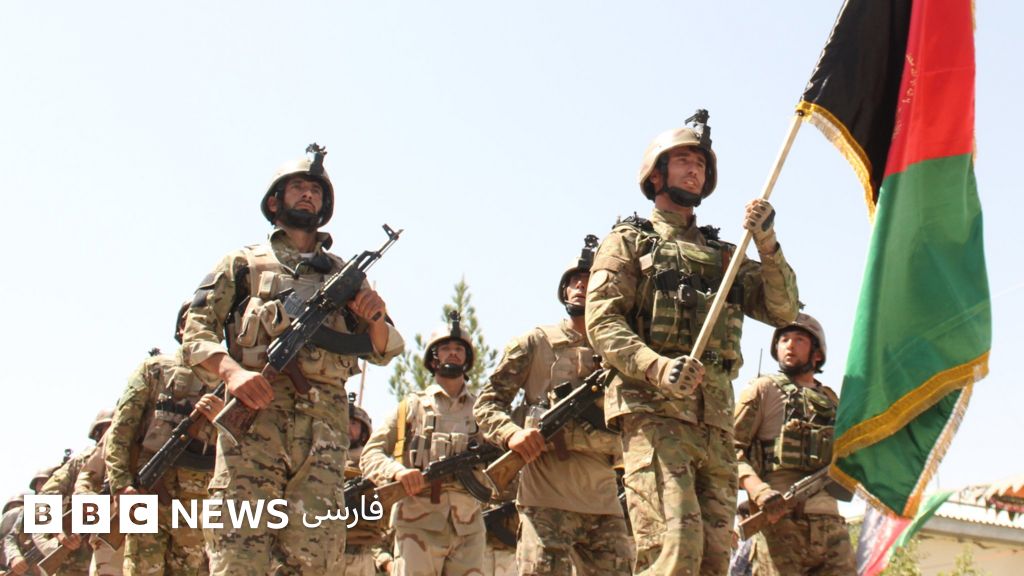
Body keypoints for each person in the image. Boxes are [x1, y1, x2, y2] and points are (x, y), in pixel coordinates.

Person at [585, 111, 800, 574]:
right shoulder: (628, 242)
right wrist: (657, 366)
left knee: (714, 560)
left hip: (716, 423)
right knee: (673, 550)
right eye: (683, 160)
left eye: (701, 164)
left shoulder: (725, 256)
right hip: (655, 414)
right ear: (656, 174)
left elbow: (783, 310)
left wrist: (766, 241)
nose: (694, 170)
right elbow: (602, 322)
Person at [181, 144, 404, 575]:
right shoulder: (243, 264)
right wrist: (232, 373)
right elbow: (197, 331)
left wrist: (374, 316)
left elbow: (385, 349)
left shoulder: (344, 275)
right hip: (254, 431)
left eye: (316, 191)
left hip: (323, 441)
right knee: (239, 554)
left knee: (314, 560)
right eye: (298, 187)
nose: (307, 195)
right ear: (274, 202)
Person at [474, 236, 631, 575]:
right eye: (574, 281)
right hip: (545, 500)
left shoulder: (619, 351)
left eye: (589, 280)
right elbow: (487, 403)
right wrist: (512, 435)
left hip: (604, 501)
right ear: (564, 291)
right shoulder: (535, 343)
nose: (581, 286)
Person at [103, 304, 225, 575]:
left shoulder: (230, 381)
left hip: (199, 507)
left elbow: (245, 445)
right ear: (181, 328)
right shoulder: (154, 370)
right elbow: (121, 432)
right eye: (192, 320)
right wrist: (121, 486)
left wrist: (222, 419)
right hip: (147, 493)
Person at [360, 312, 485, 575]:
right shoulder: (411, 406)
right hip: (417, 525)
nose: (453, 353)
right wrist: (398, 472)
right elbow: (370, 454)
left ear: (468, 358)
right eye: (446, 348)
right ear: (433, 357)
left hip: (469, 527)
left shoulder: (482, 411)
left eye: (459, 349)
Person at [733, 314, 855, 575]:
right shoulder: (762, 390)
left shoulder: (832, 400)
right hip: (780, 521)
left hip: (830, 523)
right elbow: (729, 451)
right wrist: (760, 492)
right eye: (784, 339)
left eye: (799, 340)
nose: (789, 345)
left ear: (817, 354)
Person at [341, 400, 394, 575]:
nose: (347, 427)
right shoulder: (324, 461)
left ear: (364, 432)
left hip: (361, 552)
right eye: (343, 421)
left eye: (353, 423)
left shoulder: (372, 467)